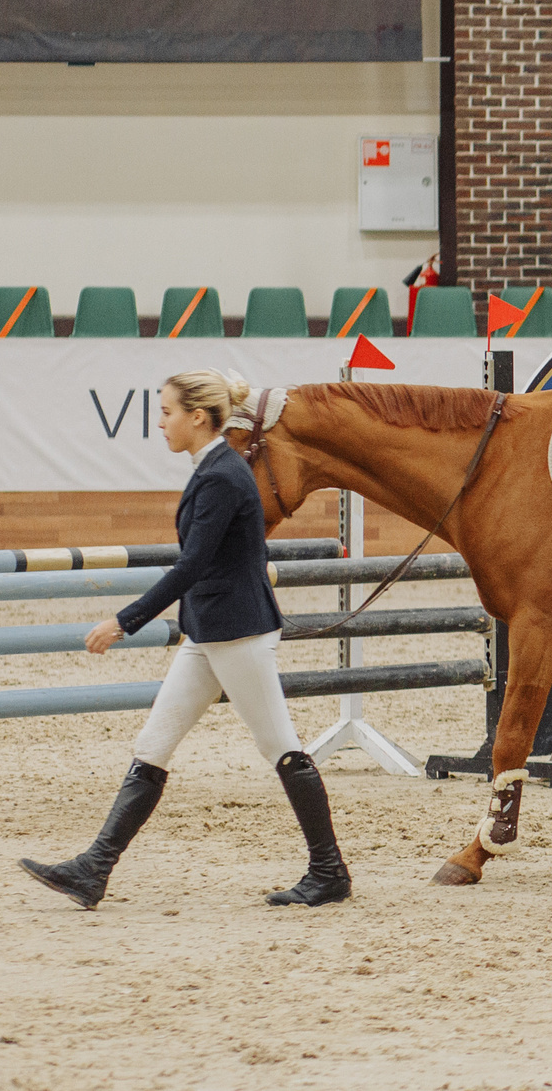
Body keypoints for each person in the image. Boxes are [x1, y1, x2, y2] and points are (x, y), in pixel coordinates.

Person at [19, 368, 349, 911]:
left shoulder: (222, 476)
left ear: (198, 417)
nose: (160, 423)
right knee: (153, 746)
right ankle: (94, 869)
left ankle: (329, 872)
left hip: (238, 633)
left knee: (281, 747)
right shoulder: (213, 468)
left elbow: (192, 564)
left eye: (167, 412)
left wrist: (125, 620)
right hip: (209, 630)